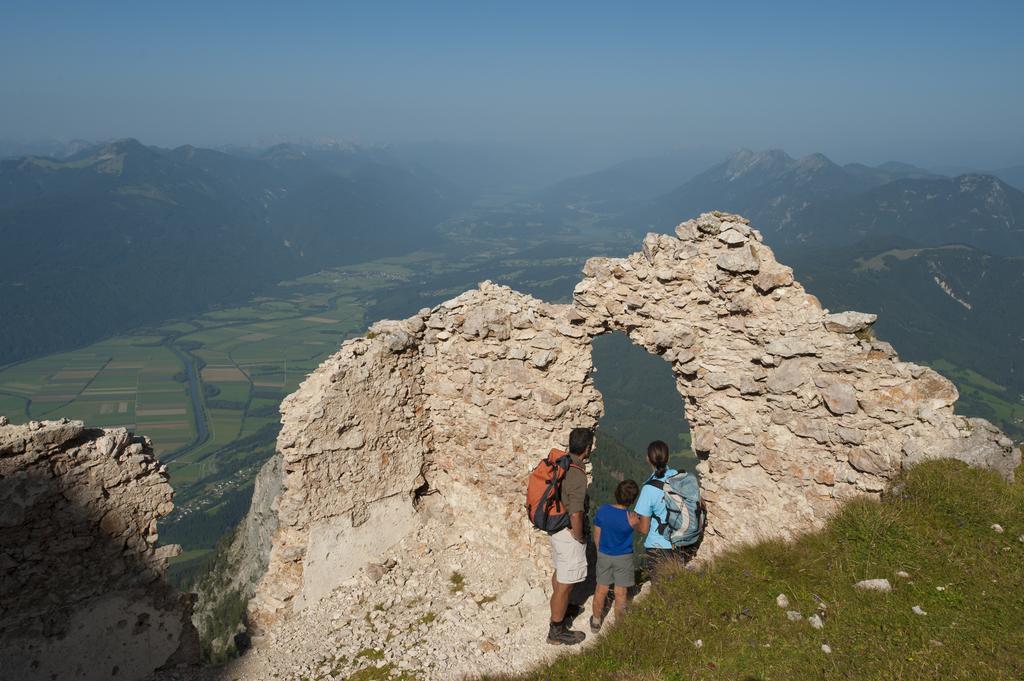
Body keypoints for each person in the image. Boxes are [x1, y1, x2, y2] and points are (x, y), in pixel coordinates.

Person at [546, 427, 595, 645]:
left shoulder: (562, 462)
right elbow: (576, 512)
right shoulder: (577, 474)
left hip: (556, 526)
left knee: (560, 573)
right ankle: (556, 630)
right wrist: (580, 536)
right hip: (568, 532)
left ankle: (563, 607)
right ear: (587, 448)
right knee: (566, 583)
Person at [634, 440, 694, 581]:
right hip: (684, 542)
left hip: (658, 546)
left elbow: (643, 528)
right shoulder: (681, 477)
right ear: (668, 458)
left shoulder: (648, 489)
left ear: (648, 459)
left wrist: (633, 523)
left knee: (661, 591)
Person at [589, 479, 640, 632]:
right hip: (623, 557)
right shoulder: (631, 518)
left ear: (616, 493)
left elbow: (597, 535)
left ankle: (596, 621)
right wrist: (634, 522)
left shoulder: (603, 510)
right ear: (632, 500)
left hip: (604, 554)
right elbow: (640, 528)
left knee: (601, 590)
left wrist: (600, 551)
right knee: (621, 593)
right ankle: (619, 626)